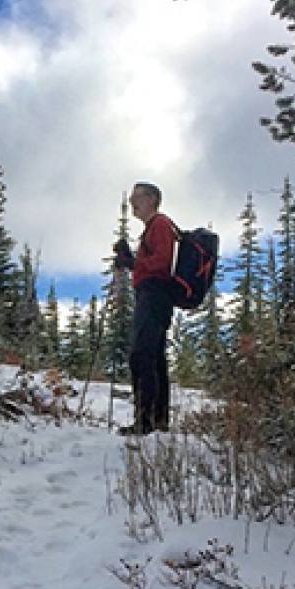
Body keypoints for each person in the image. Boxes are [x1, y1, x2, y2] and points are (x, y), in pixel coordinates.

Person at [112, 181, 179, 435]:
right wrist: (131, 259)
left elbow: (160, 264)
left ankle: (146, 421)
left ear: (151, 199)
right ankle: (157, 420)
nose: (132, 202)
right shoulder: (155, 227)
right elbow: (152, 261)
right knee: (154, 357)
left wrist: (131, 262)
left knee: (142, 355)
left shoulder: (160, 224)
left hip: (154, 295)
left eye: (136, 197)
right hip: (155, 297)